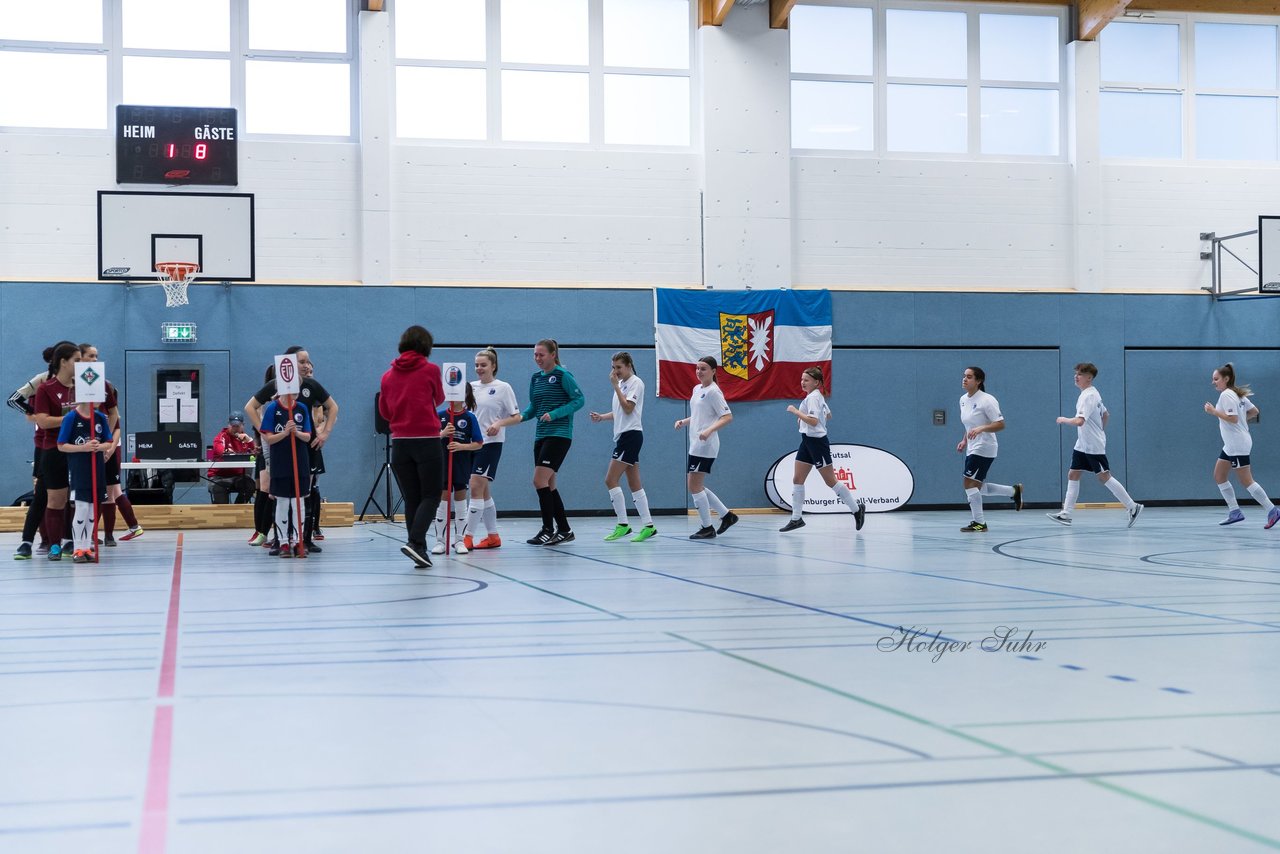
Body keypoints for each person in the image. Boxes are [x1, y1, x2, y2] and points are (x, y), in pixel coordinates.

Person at [491, 339, 586, 546]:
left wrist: (555, 414)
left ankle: (547, 528)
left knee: (538, 480)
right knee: (549, 485)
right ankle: (564, 529)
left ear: (553, 354)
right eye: (535, 354)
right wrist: (517, 418)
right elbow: (534, 407)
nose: (537, 358)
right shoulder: (536, 378)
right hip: (541, 435)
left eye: (541, 354)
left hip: (559, 435)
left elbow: (579, 400)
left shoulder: (563, 375)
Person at [246, 346, 338, 553]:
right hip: (281, 449)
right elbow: (250, 407)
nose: (307, 366)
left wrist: (324, 433)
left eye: (308, 362)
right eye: (302, 361)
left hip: (307, 447)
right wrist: (264, 432)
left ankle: (305, 538)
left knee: (307, 493)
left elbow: (333, 408)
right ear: (289, 363)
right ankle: (281, 539)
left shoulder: (312, 386)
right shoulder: (275, 386)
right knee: (279, 495)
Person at [379, 325, 445, 568]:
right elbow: (438, 398)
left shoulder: (387, 376)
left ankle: (419, 550)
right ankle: (416, 541)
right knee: (431, 494)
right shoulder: (430, 369)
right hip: (426, 439)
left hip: (400, 443)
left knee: (412, 497)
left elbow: (384, 411)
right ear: (426, 345)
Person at [1048, 363, 1142, 527]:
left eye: (1080, 374)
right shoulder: (1092, 393)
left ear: (1089, 377)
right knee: (1073, 474)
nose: (1076, 376)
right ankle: (1066, 514)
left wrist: (1063, 420)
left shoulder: (1088, 396)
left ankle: (1133, 507)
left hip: (1092, 445)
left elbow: (1079, 421)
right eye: (1076, 373)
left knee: (1104, 477)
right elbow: (1106, 414)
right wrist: (1099, 430)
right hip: (1082, 444)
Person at [779, 366, 866, 534]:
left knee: (830, 480)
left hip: (817, 443)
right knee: (797, 478)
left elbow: (813, 422)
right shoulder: (815, 397)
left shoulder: (814, 397)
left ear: (816, 382)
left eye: (806, 380)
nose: (802, 382)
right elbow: (828, 415)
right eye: (802, 379)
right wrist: (804, 419)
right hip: (806, 441)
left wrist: (796, 412)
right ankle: (796, 518)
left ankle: (856, 509)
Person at [12, 341, 75, 559]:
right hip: (45, 445)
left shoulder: (79, 384)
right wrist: (35, 413)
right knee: (42, 496)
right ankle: (32, 541)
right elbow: (16, 401)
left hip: (72, 445)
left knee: (68, 497)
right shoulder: (43, 382)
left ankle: (68, 540)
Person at [77, 343, 143, 546]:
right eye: (90, 356)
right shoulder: (75, 386)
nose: (94, 360)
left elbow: (116, 422)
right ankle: (93, 534)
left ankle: (110, 534)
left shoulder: (106, 386)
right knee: (105, 492)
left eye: (96, 356)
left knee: (112, 490)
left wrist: (109, 446)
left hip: (107, 445)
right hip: (84, 446)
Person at [589, 352, 657, 542]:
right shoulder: (621, 384)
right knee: (634, 483)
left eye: (618, 367)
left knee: (610, 479)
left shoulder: (636, 382)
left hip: (631, 436)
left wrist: (615, 387)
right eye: (613, 367)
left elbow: (628, 407)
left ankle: (623, 524)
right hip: (624, 436)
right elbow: (620, 410)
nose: (615, 371)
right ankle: (649, 526)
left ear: (628, 366)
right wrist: (603, 417)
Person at [1204, 363, 1279, 528]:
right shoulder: (1238, 394)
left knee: (1246, 480)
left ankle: (1272, 510)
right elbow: (1254, 411)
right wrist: (1242, 423)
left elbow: (1233, 419)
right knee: (1219, 475)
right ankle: (1234, 511)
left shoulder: (1227, 395)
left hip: (1237, 443)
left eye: (1216, 379)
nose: (1213, 382)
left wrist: (1213, 412)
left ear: (1226, 378)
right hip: (1231, 444)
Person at [28, 344, 81, 561]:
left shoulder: (83, 387)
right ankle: (55, 545)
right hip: (53, 450)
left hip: (80, 449)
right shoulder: (45, 388)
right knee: (56, 500)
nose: (80, 365)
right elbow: (42, 421)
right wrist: (71, 418)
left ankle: (79, 543)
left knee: (80, 500)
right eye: (76, 360)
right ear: (63, 362)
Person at [675, 356, 737, 540]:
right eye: (697, 368)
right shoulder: (697, 389)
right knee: (696, 485)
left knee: (694, 486)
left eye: (703, 369)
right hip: (695, 443)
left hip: (706, 445)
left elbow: (727, 417)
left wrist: (709, 430)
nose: (699, 372)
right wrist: (684, 422)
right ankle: (727, 515)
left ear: (713, 371)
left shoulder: (714, 392)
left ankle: (707, 527)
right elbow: (699, 415)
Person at [954, 366, 1023, 532]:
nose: (965, 379)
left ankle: (979, 523)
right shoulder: (963, 399)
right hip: (973, 447)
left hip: (985, 447)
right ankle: (1013, 491)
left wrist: (981, 429)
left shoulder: (987, 400)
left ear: (978, 381)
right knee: (975, 486)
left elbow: (1000, 424)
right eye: (964, 376)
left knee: (968, 483)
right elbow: (969, 424)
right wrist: (964, 440)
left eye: (969, 377)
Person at [466, 347, 520, 550]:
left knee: (475, 486)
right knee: (483, 490)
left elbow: (517, 417)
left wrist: (498, 424)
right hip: (471, 443)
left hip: (491, 444)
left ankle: (467, 537)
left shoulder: (503, 387)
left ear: (493, 366)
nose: (479, 368)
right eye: (476, 365)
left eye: (483, 365)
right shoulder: (470, 387)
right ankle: (493, 536)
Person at [56, 397, 114, 563]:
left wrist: (99, 446)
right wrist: (83, 448)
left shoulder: (101, 417)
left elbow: (108, 443)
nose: (97, 400)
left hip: (97, 470)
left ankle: (87, 546)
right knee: (81, 508)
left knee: (92, 511)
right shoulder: (71, 418)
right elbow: (61, 445)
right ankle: (77, 549)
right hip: (79, 470)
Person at [261, 389, 313, 558]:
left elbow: (307, 436)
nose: (295, 391)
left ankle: (299, 541)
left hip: (300, 462)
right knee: (283, 502)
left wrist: (295, 432)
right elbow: (268, 438)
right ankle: (283, 542)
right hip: (280, 462)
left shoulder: (302, 408)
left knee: (299, 502)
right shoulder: (272, 408)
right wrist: (284, 433)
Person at [433, 385, 482, 555]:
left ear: (465, 395)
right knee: (443, 500)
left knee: (461, 501)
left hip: (461, 463)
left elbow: (478, 443)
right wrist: (443, 433)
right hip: (442, 463)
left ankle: (459, 540)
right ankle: (440, 541)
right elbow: (429, 438)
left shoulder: (469, 418)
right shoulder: (439, 415)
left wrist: (462, 446)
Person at [208, 411, 256, 504]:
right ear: (228, 425)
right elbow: (220, 451)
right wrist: (228, 452)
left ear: (243, 425)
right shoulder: (221, 437)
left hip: (239, 477)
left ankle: (238, 510)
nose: (235, 429)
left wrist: (250, 441)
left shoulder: (246, 439)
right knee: (219, 488)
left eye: (238, 426)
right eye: (233, 426)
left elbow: (256, 453)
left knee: (249, 485)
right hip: (219, 477)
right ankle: (223, 517)